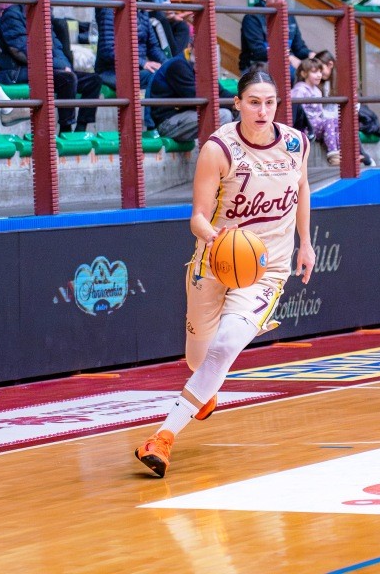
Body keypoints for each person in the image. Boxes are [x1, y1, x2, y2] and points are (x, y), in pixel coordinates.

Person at [133, 69, 316, 478]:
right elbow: (197, 217)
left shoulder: (296, 142)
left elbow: (302, 187)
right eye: (254, 101)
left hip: (266, 267)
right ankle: (203, 391)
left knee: (226, 347)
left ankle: (161, 439)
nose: (263, 110)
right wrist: (213, 235)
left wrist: (306, 242)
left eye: (269, 102)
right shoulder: (219, 148)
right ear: (237, 103)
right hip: (215, 260)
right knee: (198, 358)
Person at [0, 0, 102, 131]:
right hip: (16, 71)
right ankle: (66, 128)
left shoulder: (44, 16)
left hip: (45, 67)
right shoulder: (13, 14)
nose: (46, 0)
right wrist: (58, 66)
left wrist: (64, 65)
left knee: (94, 80)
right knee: (67, 78)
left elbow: (57, 47)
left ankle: (80, 129)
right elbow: (20, 51)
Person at [94, 0, 166, 105]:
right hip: (112, 72)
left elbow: (153, 47)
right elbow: (108, 51)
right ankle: (152, 124)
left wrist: (169, 64)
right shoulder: (110, 11)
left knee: (172, 72)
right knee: (155, 76)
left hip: (138, 69)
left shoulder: (141, 11)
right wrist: (142, 62)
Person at [145, 39, 234, 141]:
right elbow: (196, 98)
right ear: (190, 47)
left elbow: (220, 92)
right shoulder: (178, 65)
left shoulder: (202, 66)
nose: (204, 54)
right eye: (200, 49)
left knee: (243, 113)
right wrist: (232, 105)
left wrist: (239, 101)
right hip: (168, 122)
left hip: (189, 116)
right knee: (223, 115)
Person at [239, 0, 314, 75]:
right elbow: (259, 52)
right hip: (255, 67)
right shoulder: (252, 18)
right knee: (297, 74)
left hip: (284, 64)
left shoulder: (289, 17)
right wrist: (288, 57)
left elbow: (299, 48)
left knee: (315, 71)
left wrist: (312, 55)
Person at [291, 56, 340, 165]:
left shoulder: (317, 91)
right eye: (314, 72)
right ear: (304, 74)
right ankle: (333, 153)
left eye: (320, 72)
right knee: (329, 121)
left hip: (317, 123)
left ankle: (340, 150)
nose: (319, 75)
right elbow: (298, 113)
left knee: (336, 121)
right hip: (306, 126)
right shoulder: (299, 90)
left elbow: (320, 112)